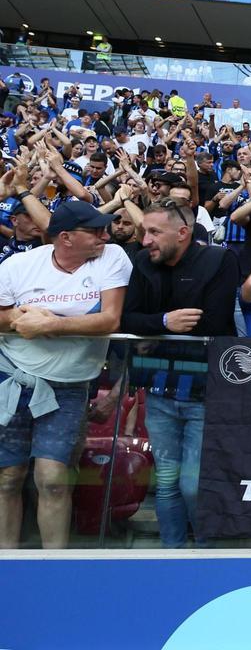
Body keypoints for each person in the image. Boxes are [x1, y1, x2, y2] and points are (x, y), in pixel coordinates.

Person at [0, 201, 131, 548]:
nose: (106, 235)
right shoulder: (18, 266)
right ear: (66, 238)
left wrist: (51, 324)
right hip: (12, 377)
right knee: (8, 477)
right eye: (96, 230)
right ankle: (7, 564)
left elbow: (110, 320)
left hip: (70, 386)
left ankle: (54, 565)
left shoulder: (112, 257)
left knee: (54, 478)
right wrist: (17, 318)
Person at [119, 199, 239, 548]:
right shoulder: (142, 262)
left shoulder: (220, 259)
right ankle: (171, 553)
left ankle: (204, 552)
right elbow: (127, 320)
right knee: (168, 482)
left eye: (154, 232)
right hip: (158, 390)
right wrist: (164, 322)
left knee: (192, 484)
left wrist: (152, 334)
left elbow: (213, 323)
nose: (145, 241)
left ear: (183, 233)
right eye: (144, 232)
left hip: (205, 392)